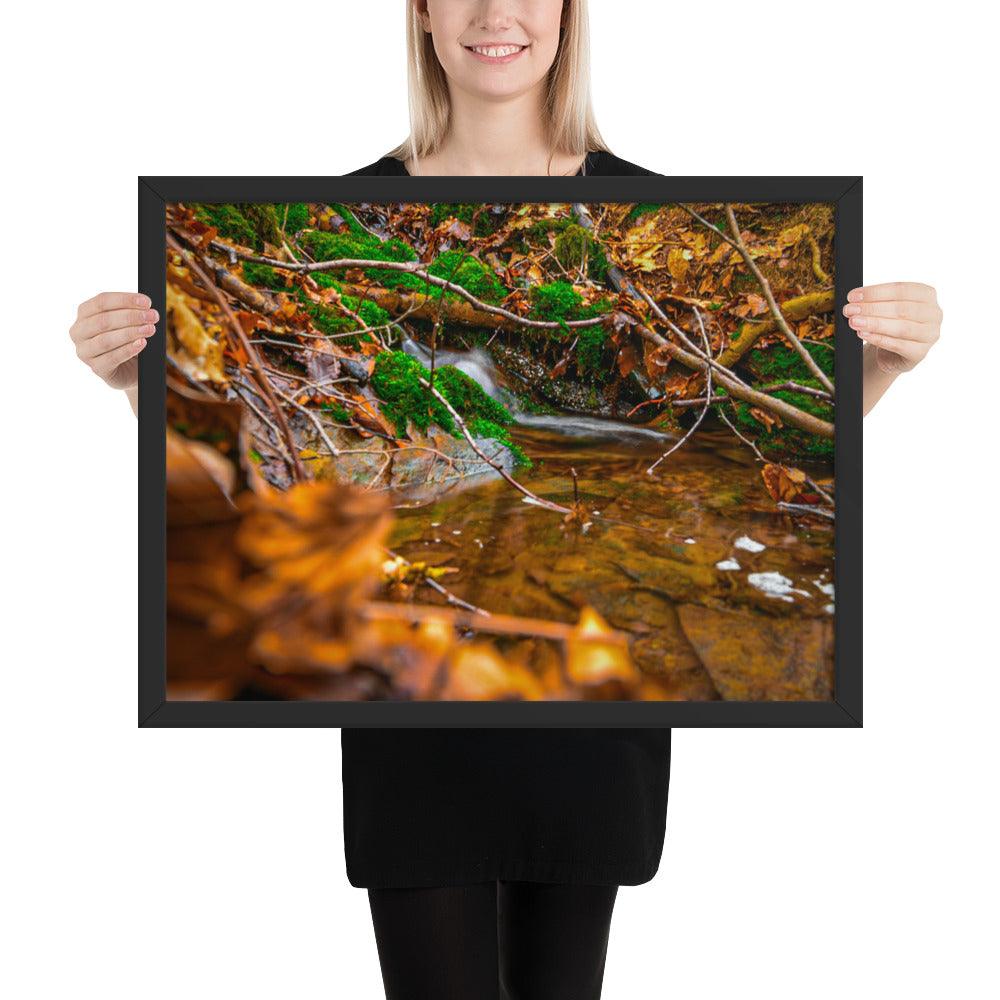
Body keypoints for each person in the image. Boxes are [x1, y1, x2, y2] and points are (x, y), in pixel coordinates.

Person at [68, 2, 942, 997]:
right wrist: (149, 388)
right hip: (412, 725)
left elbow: (758, 460)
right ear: (424, 16)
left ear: (568, 17)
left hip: (590, 729)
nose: (496, 13)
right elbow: (256, 467)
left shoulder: (653, 211)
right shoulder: (330, 213)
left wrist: (877, 371)